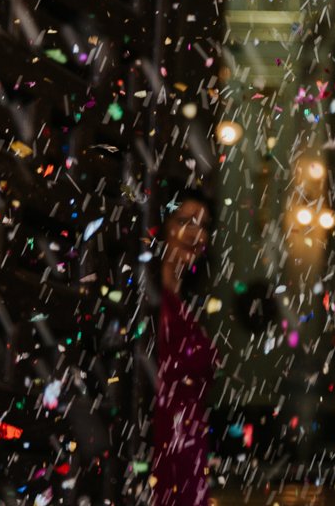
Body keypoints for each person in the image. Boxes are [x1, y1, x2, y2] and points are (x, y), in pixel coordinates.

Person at [153, 189, 217, 506]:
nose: (195, 232)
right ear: (163, 227)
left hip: (189, 443)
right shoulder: (150, 302)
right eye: (185, 221)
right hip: (157, 439)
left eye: (203, 225)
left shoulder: (187, 306)